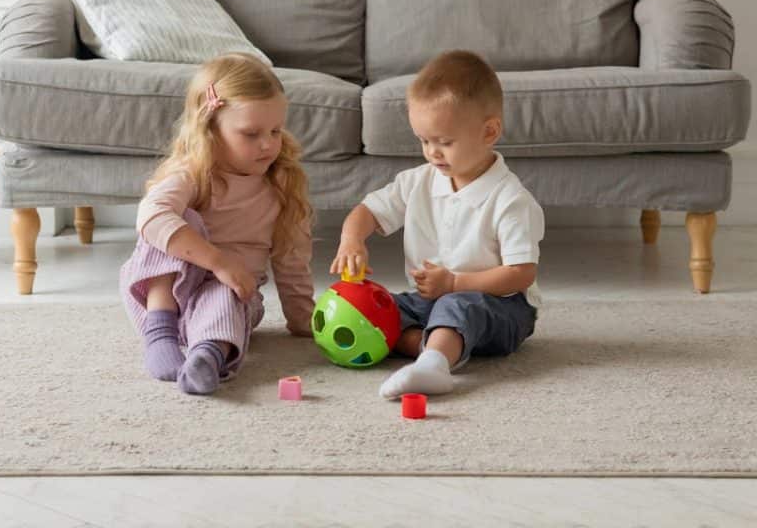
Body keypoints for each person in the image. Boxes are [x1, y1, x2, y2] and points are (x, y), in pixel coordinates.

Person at [330, 50, 544, 399]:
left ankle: (434, 366)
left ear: (489, 132)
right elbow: (367, 211)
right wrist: (352, 239)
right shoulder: (420, 181)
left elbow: (521, 273)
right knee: (380, 306)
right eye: (424, 140)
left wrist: (456, 282)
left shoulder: (510, 199)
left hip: (499, 307)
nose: (432, 152)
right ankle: (435, 350)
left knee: (456, 306)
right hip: (429, 300)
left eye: (445, 142)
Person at [120, 53, 314, 395]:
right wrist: (218, 261)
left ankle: (207, 357)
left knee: (225, 295)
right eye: (251, 134)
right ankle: (160, 337)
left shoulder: (282, 185)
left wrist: (302, 318)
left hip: (232, 302)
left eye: (275, 131)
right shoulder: (193, 174)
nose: (268, 144)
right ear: (210, 129)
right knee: (172, 219)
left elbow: (291, 257)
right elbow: (150, 215)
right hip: (166, 300)